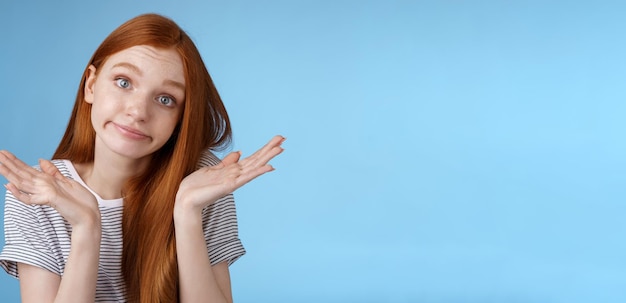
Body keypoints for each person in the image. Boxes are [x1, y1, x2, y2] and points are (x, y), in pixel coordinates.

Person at [0, 13, 284, 303]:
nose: (138, 111)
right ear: (91, 86)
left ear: (180, 119)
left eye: (165, 99)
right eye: (123, 82)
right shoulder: (38, 194)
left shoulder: (202, 183)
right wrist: (87, 227)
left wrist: (187, 212)